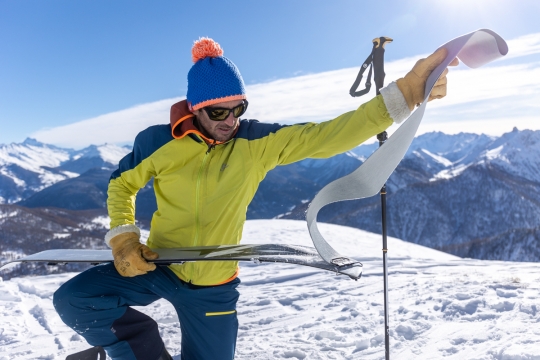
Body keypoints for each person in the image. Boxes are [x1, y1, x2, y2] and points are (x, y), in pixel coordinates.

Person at [53, 37, 458, 359]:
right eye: (218, 113)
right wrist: (124, 239)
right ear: (195, 109)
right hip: (162, 265)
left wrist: (406, 93)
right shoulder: (158, 142)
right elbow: (121, 183)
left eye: (239, 109)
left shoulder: (256, 142)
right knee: (75, 300)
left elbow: (331, 134)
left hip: (213, 281)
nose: (231, 121)